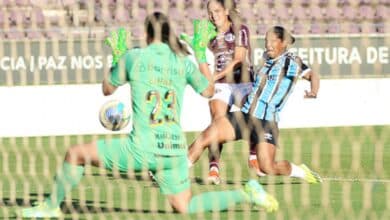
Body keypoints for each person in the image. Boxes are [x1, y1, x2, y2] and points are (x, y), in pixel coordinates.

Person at [18, 12, 278, 218]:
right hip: (175, 151)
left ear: (145, 34)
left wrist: (118, 56)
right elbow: (210, 90)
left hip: (141, 149)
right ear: (169, 36)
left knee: (75, 155)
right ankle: (247, 194)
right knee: (184, 206)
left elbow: (107, 89)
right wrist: (200, 52)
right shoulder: (182, 62)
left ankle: (52, 206)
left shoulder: (135, 57)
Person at [187, 26, 323, 184]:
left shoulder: (292, 61)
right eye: (266, 41)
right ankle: (175, 176)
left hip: (265, 122)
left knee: (268, 167)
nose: (268, 45)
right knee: (205, 138)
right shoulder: (267, 58)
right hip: (244, 115)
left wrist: (313, 91)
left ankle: (301, 172)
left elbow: (313, 75)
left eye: (273, 41)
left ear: (284, 42)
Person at [184, 0, 260, 185]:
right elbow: (206, 61)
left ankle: (253, 154)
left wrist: (214, 75)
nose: (213, 15)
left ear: (226, 11)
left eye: (217, 11)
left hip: (243, 81)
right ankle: (213, 169)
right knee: (217, 123)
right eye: (210, 12)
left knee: (254, 115)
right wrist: (198, 49)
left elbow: (238, 60)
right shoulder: (208, 33)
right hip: (221, 85)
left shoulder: (239, 29)